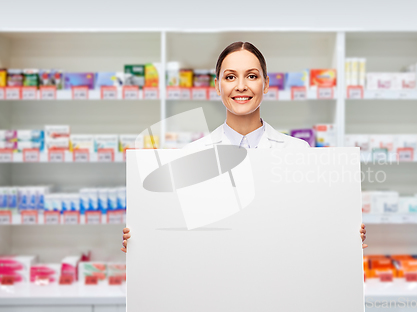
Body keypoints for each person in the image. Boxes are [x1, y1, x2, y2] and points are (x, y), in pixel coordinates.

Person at [121, 41, 367, 253]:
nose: (241, 86)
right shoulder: (193, 156)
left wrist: (344, 236)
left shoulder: (298, 153)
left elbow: (311, 226)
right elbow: (182, 235)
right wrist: (143, 241)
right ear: (218, 86)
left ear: (266, 84)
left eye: (251, 76)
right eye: (230, 77)